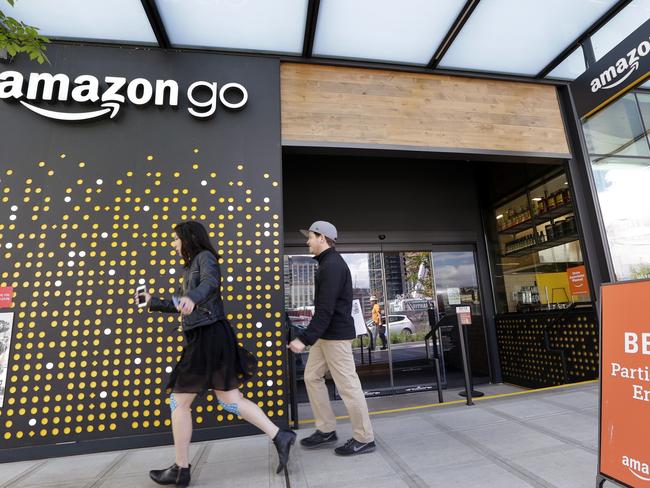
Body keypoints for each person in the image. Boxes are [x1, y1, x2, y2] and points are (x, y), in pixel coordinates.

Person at [137, 221, 296, 486]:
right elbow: (182, 305)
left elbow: (210, 284)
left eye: (176, 240)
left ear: (188, 239)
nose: (173, 245)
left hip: (207, 336)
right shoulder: (189, 268)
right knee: (230, 400)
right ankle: (280, 436)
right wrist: (152, 302)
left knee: (179, 402)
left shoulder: (205, 258)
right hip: (208, 336)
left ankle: (180, 469)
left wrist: (193, 298)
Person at [288, 221, 375, 456]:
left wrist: (304, 339)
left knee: (348, 387)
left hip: (335, 336)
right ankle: (326, 429)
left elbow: (325, 309)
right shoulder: (326, 264)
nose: (307, 241)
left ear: (322, 238)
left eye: (310, 237)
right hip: (326, 335)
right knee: (311, 376)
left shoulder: (333, 266)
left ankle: (364, 438)